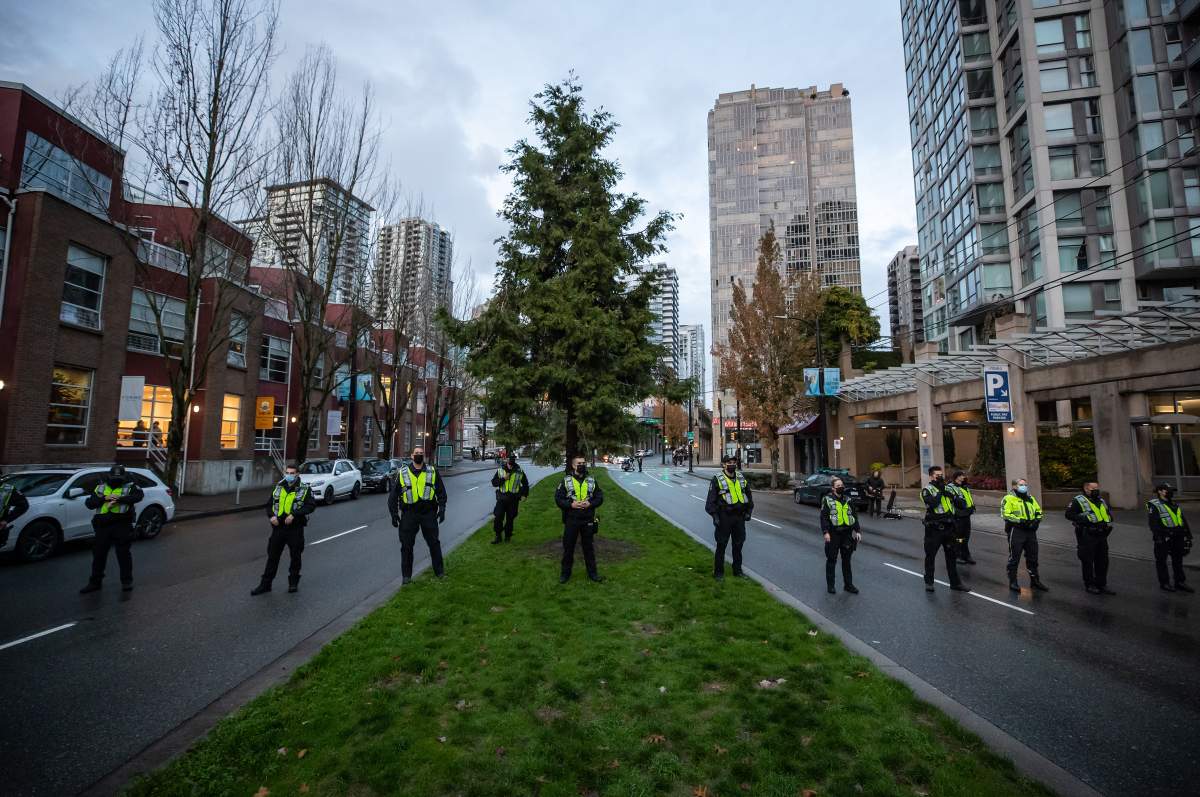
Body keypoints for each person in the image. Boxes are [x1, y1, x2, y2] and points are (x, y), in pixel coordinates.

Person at [252, 464, 316, 595]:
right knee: (272, 556)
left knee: (295, 556)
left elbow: (310, 506)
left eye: (292, 473)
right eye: (287, 472)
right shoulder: (279, 487)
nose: (289, 475)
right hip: (278, 528)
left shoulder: (304, 489)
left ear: (297, 474)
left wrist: (294, 514)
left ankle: (293, 583)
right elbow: (270, 505)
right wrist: (271, 516)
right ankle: (265, 584)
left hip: (295, 528)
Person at [80, 465, 144, 594]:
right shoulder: (101, 487)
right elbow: (90, 504)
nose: (117, 480)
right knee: (99, 555)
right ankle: (95, 582)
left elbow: (138, 497)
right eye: (114, 477)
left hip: (122, 525)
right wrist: (104, 498)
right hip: (103, 526)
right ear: (109, 477)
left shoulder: (130, 486)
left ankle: (126, 582)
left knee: (123, 554)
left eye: (119, 477)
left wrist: (119, 499)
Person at [388, 446, 448, 584]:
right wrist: (393, 514)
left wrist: (442, 508)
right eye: (417, 453)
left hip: (428, 513)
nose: (419, 455)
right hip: (409, 514)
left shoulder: (432, 471)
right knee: (406, 546)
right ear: (412, 456)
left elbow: (441, 492)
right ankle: (406, 577)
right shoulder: (402, 473)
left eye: (421, 453)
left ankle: (439, 572)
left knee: (434, 543)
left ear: (424, 456)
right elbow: (393, 496)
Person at [554, 454, 604, 583]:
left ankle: (593, 574)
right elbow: (558, 499)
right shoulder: (566, 481)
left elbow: (599, 497)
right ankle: (565, 574)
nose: (582, 465)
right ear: (573, 465)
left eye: (583, 463)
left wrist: (590, 504)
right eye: (579, 463)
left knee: (588, 548)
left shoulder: (592, 480)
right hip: (572, 519)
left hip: (588, 519)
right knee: (568, 548)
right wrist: (571, 504)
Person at [704, 453, 754, 580]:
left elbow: (748, 495)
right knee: (721, 545)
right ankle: (718, 573)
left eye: (734, 462)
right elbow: (710, 501)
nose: (732, 465)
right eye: (729, 462)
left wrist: (749, 512)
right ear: (724, 464)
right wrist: (715, 517)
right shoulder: (717, 479)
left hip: (739, 518)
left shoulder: (741, 478)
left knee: (738, 545)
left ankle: (738, 571)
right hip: (724, 517)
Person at [921, 465, 968, 593]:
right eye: (937, 475)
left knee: (951, 557)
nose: (940, 477)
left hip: (949, 528)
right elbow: (933, 503)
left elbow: (962, 504)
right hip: (934, 529)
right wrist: (941, 491)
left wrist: (952, 494)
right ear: (931, 476)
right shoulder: (927, 490)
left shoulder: (948, 488)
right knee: (930, 556)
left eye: (941, 475)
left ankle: (955, 583)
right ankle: (929, 582)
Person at [1065, 481, 1114, 595]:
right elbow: (1069, 515)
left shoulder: (1101, 500)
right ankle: (1090, 584)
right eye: (1093, 488)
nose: (1096, 490)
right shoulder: (1078, 500)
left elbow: (1107, 513)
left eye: (1097, 488)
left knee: (1103, 561)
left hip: (1102, 535)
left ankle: (1101, 584)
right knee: (1087, 560)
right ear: (1086, 489)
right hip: (1087, 534)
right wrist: (1085, 519)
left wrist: (1109, 518)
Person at [1002, 477, 1047, 592]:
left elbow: (1038, 511)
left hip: (1031, 532)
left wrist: (1036, 521)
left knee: (1033, 557)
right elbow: (1005, 515)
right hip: (1017, 531)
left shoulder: (1030, 498)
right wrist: (1021, 521)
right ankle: (1013, 582)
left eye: (1025, 484)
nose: (1024, 486)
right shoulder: (1008, 499)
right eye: (1021, 484)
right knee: (1014, 557)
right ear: (1014, 487)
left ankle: (1035, 581)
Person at [1147, 482, 1193, 593]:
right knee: (1161, 561)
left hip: (1177, 536)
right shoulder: (1154, 505)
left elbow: (1183, 520)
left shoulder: (1174, 504)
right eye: (1167, 490)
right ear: (1160, 491)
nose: (1170, 492)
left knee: (1178, 560)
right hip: (1164, 537)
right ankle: (1164, 583)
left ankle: (1180, 582)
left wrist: (1188, 536)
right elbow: (1153, 523)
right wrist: (1159, 537)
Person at [821, 477, 860, 594]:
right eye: (838, 486)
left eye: (841, 485)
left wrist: (857, 531)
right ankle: (831, 586)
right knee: (831, 559)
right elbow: (824, 518)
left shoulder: (848, 500)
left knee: (847, 560)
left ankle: (848, 585)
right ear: (833, 488)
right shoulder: (827, 500)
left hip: (846, 534)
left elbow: (854, 516)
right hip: (833, 534)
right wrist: (826, 532)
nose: (841, 487)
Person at [490, 454, 529, 544]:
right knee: (498, 516)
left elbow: (525, 484)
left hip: (513, 499)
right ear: (506, 459)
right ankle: (498, 536)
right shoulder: (500, 470)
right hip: (501, 498)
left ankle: (508, 536)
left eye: (513, 459)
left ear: (514, 460)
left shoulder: (519, 471)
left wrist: (524, 495)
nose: (511, 461)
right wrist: (504, 479)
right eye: (509, 459)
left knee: (510, 519)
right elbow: (494, 483)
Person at [945, 470, 977, 564]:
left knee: (966, 537)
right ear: (957, 477)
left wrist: (972, 507)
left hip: (966, 515)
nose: (964, 477)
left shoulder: (964, 487)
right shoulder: (950, 487)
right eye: (962, 475)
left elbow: (967, 499)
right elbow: (953, 500)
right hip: (958, 516)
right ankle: (957, 555)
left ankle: (966, 555)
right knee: (959, 537)